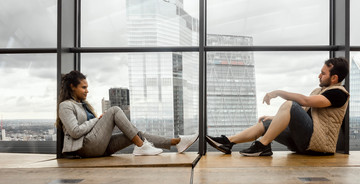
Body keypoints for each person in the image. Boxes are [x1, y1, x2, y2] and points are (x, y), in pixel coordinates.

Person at [206, 57, 349, 156]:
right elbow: (305, 115)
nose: (319, 76)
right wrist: (274, 118)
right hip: (305, 142)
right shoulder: (320, 92)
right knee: (267, 122)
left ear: (334, 78)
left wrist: (278, 93)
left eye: (323, 73)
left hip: (318, 147)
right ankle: (228, 142)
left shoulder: (338, 94)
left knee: (290, 104)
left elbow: (304, 101)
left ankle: (262, 145)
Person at [56, 70, 198, 157]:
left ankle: (177, 142)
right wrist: (98, 120)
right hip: (84, 148)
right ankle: (142, 147)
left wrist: (99, 121)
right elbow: (75, 132)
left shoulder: (84, 105)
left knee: (135, 133)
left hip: (99, 147)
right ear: (72, 87)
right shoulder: (65, 106)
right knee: (115, 110)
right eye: (84, 87)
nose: (87, 90)